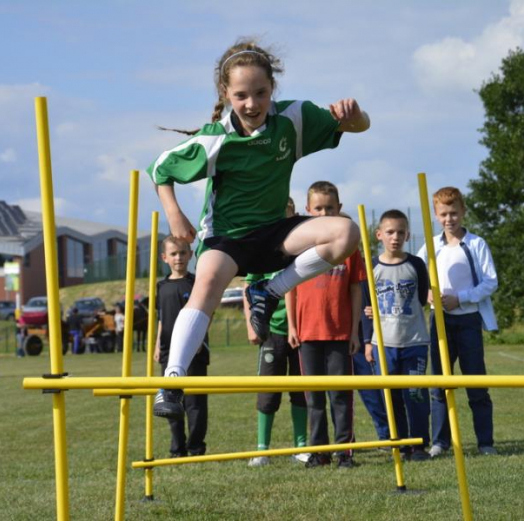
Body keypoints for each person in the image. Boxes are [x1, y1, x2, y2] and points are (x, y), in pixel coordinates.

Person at [146, 38, 369, 419]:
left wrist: (354, 114)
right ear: (226, 94)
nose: (252, 104)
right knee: (207, 284)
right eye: (242, 95)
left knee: (346, 235)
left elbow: (359, 126)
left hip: (276, 231)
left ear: (273, 89)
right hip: (228, 237)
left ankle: (270, 290)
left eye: (261, 93)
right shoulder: (214, 140)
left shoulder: (294, 119)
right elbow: (160, 169)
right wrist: (174, 215)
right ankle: (171, 382)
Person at [286, 181, 364, 468]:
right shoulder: (297, 246)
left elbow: (356, 288)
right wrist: (293, 326)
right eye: (317, 208)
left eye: (329, 208)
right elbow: (289, 288)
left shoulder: (348, 245)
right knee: (313, 398)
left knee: (341, 396)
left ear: (339, 209)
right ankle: (319, 452)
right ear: (307, 210)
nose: (323, 213)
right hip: (307, 333)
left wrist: (355, 330)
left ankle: (344, 451)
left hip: (340, 333)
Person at [417, 187, 498, 458]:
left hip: (469, 321)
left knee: (476, 383)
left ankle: (485, 442)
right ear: (436, 215)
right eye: (443, 214)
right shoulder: (430, 247)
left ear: (463, 212)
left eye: (454, 213)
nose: (449, 219)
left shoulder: (476, 244)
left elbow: (490, 282)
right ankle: (440, 442)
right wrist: (426, 293)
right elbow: (416, 277)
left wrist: (460, 299)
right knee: (440, 384)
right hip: (439, 323)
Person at [244, 197, 309, 467]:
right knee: (268, 392)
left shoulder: (302, 250)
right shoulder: (262, 250)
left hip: (301, 331)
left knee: (301, 390)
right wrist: (251, 325)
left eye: (288, 216)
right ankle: (262, 449)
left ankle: (301, 446)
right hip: (271, 330)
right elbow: (249, 291)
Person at [361, 210, 431, 461]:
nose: (395, 237)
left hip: (414, 342)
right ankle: (399, 442)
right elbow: (365, 307)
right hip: (384, 344)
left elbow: (422, 298)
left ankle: (420, 444)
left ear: (407, 235)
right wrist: (367, 342)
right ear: (379, 235)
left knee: (415, 393)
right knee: (390, 396)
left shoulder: (415, 264)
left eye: (401, 232)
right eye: (390, 232)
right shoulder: (372, 266)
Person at [155, 236, 210, 457]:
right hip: (168, 352)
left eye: (182, 253)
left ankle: (196, 447)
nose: (178, 257)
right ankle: (177, 448)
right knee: (170, 399)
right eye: (174, 253)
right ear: (165, 257)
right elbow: (161, 318)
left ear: (190, 255)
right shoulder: (161, 286)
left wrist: (198, 339)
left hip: (195, 350)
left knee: (195, 403)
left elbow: (206, 313)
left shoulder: (197, 283)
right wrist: (157, 343)